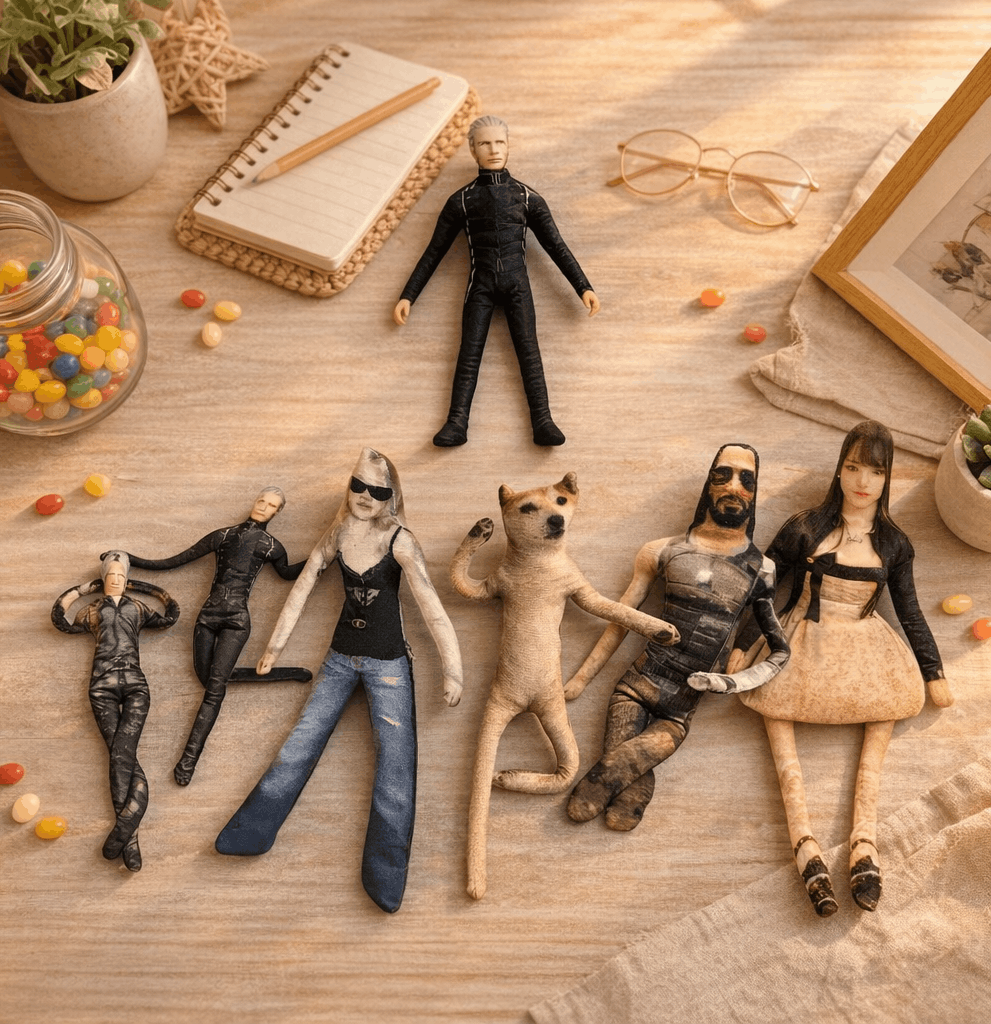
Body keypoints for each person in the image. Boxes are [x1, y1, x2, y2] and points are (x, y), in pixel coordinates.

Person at [216, 448, 464, 914]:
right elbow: (302, 588)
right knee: (299, 743)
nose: (366, 496)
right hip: (339, 660)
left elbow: (430, 605)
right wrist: (274, 648)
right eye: (358, 486)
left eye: (378, 491)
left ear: (392, 496)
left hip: (389, 666)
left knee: (395, 768)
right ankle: (251, 833)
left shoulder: (400, 540)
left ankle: (385, 874)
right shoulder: (337, 533)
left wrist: (453, 669)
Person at [732, 420, 953, 916]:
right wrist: (746, 643)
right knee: (774, 702)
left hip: (866, 645)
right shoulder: (804, 528)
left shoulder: (895, 544)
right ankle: (804, 844)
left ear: (888, 476)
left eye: (875, 471)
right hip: (802, 636)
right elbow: (763, 590)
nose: (862, 481)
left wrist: (933, 671)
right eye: (853, 467)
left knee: (887, 706)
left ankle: (865, 843)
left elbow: (910, 610)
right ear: (839, 469)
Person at [564, 444, 790, 832]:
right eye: (722, 474)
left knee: (622, 767)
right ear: (708, 483)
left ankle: (619, 787)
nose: (733, 486)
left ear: (754, 492)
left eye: (746, 479)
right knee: (621, 784)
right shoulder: (662, 551)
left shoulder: (762, 569)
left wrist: (733, 680)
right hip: (634, 688)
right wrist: (582, 678)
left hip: (680, 712)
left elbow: (779, 649)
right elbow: (621, 619)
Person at [393, 115, 600, 448]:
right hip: (481, 286)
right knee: (469, 353)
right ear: (472, 150)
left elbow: (556, 246)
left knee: (529, 352)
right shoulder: (462, 200)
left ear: (509, 145)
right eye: (485, 143)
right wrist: (409, 295)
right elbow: (434, 252)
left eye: (499, 142)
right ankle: (456, 423)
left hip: (519, 285)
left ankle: (543, 422)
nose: (493, 149)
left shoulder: (527, 197)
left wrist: (583, 287)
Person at [115, 487, 307, 786]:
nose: (263, 507)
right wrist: (130, 559)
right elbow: (174, 561)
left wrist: (324, 556)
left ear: (276, 512)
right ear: (254, 502)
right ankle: (283, 673)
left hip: (237, 622)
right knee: (208, 679)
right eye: (261, 501)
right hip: (206, 618)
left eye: (271, 505)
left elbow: (288, 574)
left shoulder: (272, 546)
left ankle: (188, 761)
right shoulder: (224, 535)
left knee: (215, 691)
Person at [52, 553, 179, 872]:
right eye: (111, 576)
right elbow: (61, 622)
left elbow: (171, 615)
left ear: (127, 581)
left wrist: (145, 587)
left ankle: (124, 833)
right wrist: (80, 591)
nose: (116, 581)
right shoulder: (92, 610)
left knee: (122, 756)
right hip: (101, 687)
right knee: (122, 758)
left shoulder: (138, 608)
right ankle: (130, 839)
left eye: (122, 577)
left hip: (136, 685)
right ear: (102, 579)